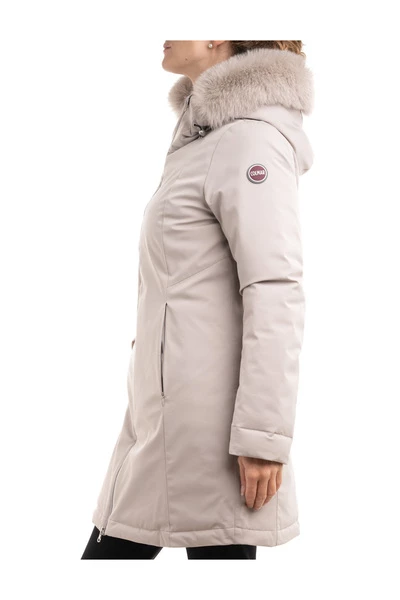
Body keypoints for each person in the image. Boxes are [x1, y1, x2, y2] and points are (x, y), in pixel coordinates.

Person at [81, 40, 314, 560]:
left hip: (212, 433)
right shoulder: (204, 138)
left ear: (218, 34)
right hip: (165, 417)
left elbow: (275, 289)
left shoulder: (249, 140)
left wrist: (262, 439)